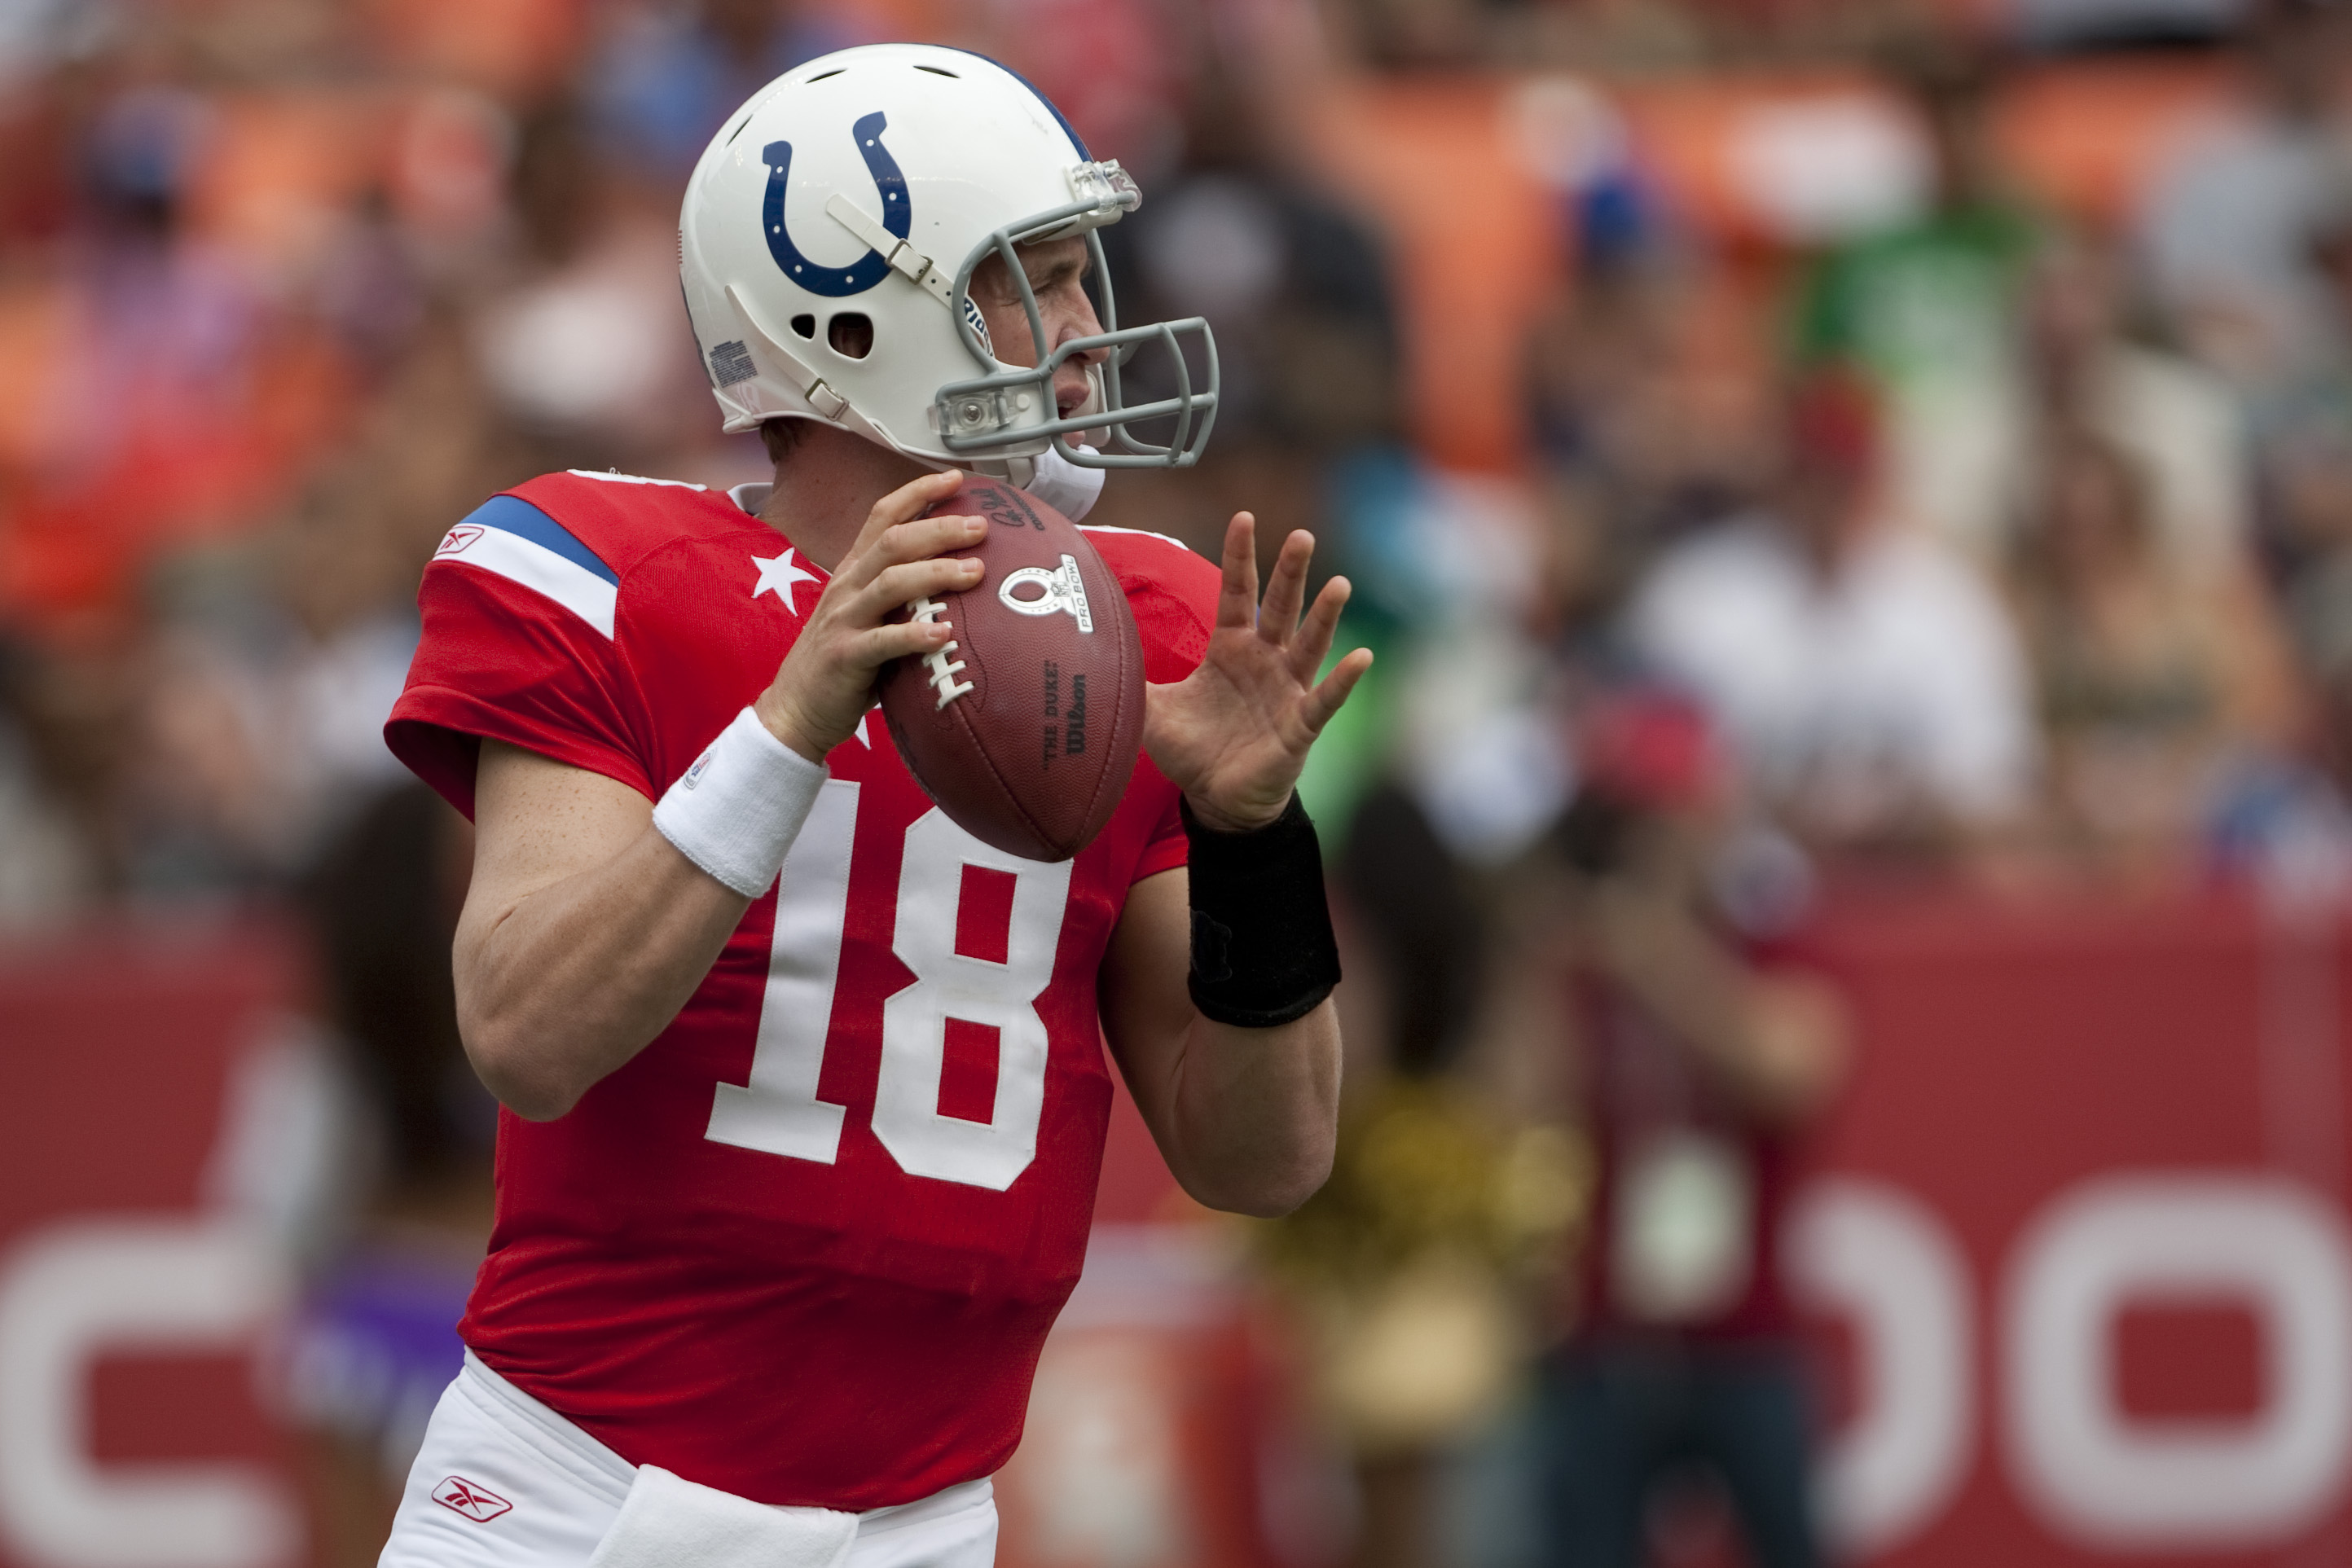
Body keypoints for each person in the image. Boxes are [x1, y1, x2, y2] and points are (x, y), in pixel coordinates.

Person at [371, 44, 1368, 1568]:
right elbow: (526, 1034)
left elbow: (1267, 1159)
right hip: (578, 1498)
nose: (1092, 332)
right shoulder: (607, 577)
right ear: (851, 310)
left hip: (921, 1520)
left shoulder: (1140, 631)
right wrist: (792, 719)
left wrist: (1255, 836)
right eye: (1032, 280)